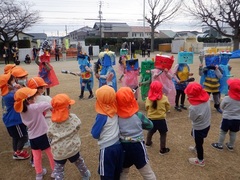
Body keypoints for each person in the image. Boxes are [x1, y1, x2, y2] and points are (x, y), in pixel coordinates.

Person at [14, 87, 55, 180]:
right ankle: (55, 171)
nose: (35, 98)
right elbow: (48, 104)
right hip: (43, 134)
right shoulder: (34, 107)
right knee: (50, 154)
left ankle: (39, 174)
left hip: (32, 137)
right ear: (28, 100)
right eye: (33, 97)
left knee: (36, 157)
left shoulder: (22, 110)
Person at [116, 87, 156, 180]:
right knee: (147, 172)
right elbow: (150, 125)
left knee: (123, 171)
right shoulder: (138, 115)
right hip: (137, 146)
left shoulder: (116, 116)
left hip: (123, 147)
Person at [48, 94, 91, 180]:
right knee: (79, 162)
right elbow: (78, 125)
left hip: (58, 151)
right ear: (68, 107)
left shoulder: (52, 123)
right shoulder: (73, 118)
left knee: (59, 169)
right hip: (73, 148)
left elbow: (49, 134)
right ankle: (86, 174)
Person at [91, 85, 123, 180]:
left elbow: (95, 134)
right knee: (117, 173)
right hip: (119, 146)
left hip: (107, 149)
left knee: (106, 175)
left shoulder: (102, 116)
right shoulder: (116, 110)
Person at [0, 73, 30, 160]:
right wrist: (20, 88)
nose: (15, 81)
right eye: (13, 80)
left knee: (16, 137)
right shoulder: (10, 95)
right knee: (24, 136)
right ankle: (18, 153)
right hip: (15, 121)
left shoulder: (6, 93)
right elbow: (23, 95)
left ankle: (16, 152)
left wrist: (15, 88)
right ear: (8, 84)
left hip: (10, 120)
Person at [184, 82, 211, 167]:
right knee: (199, 140)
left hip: (198, 127)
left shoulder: (193, 108)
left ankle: (200, 160)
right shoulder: (207, 99)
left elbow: (192, 118)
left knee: (199, 142)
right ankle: (196, 148)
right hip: (207, 124)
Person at [211, 79, 240, 151]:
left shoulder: (227, 98)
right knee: (233, 133)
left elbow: (222, 106)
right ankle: (231, 146)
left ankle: (220, 145)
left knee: (223, 132)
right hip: (237, 119)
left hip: (227, 118)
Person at [145, 81, 171, 155]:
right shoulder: (164, 98)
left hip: (151, 119)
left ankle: (148, 143)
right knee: (163, 134)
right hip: (161, 120)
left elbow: (146, 108)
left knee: (150, 131)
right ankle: (162, 149)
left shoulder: (148, 99)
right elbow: (168, 107)